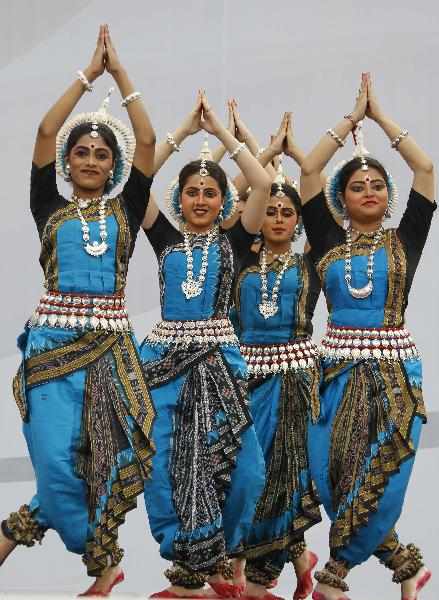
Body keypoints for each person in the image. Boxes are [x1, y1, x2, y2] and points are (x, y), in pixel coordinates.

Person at [0, 25, 156, 596]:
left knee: (104, 459)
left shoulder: (125, 210)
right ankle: (100, 561)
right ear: (67, 163)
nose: (91, 159)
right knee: (55, 460)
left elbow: (147, 139)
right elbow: (45, 129)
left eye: (101, 153)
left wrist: (122, 77)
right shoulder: (49, 207)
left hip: (109, 351)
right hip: (50, 351)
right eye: (82, 152)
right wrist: (87, 75)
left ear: (113, 166)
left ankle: (101, 565)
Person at [300, 73, 435, 600]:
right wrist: (350, 122)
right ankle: (404, 564)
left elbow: (425, 168)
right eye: (358, 185)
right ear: (342, 197)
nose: (370, 190)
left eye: (377, 184)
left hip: (393, 376)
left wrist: (381, 120)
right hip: (335, 373)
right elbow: (309, 168)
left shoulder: (407, 239)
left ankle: (335, 575)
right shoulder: (327, 238)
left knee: (384, 471)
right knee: (333, 475)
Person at [141, 91, 271, 598]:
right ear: (181, 199)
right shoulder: (165, 240)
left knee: (246, 470)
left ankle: (226, 552)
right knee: (168, 464)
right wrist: (180, 132)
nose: (200, 199)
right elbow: (137, 181)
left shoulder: (236, 240)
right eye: (192, 192)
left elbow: (261, 181)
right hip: (166, 366)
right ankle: (189, 571)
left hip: (219, 363)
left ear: (224, 202)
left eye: (210, 193)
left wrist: (220, 134)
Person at [230, 111, 322, 600]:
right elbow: (239, 196)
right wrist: (259, 152)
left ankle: (265, 573)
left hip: (296, 382)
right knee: (247, 475)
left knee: (285, 476)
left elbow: (322, 201)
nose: (280, 218)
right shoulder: (238, 259)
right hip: (244, 380)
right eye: (272, 210)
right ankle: (296, 558)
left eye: (288, 212)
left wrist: (297, 153)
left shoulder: (314, 262)